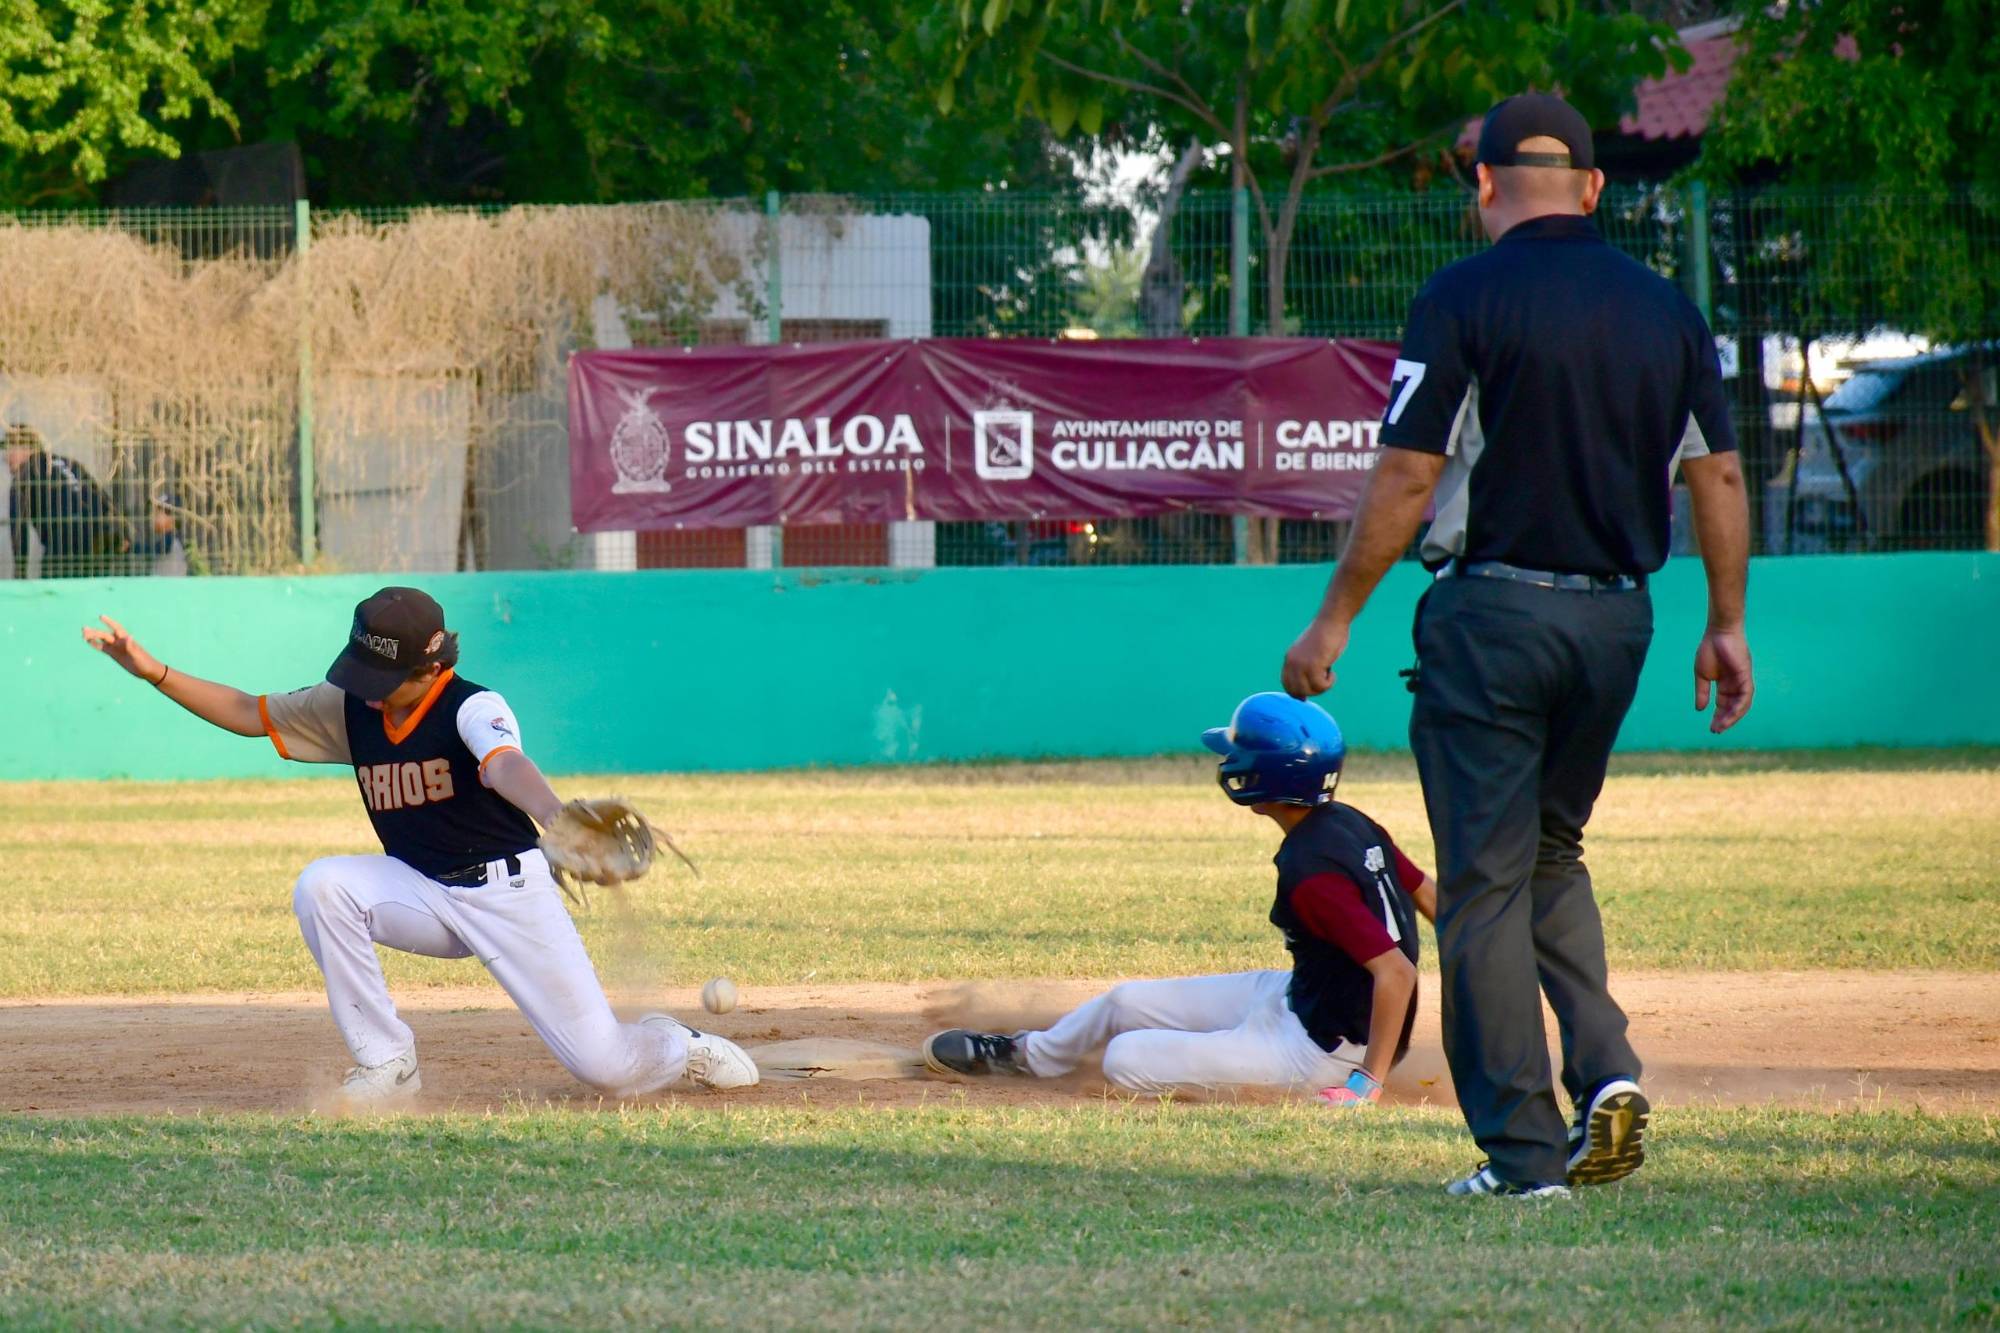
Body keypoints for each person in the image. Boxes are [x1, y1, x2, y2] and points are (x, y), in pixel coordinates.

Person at [1279, 93, 1754, 1198]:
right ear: (1591, 188)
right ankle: (1605, 1073)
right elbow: (1717, 475)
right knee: (1549, 853)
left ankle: (1522, 1155)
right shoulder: (1665, 311)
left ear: (1481, 184)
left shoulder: (1459, 298)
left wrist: (1335, 614)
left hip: (1491, 615)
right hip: (1616, 620)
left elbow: (1405, 473)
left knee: (1484, 883)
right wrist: (1724, 623)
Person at [81, 585, 759, 1105]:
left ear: (430, 664)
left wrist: (554, 814)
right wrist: (153, 670)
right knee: (324, 884)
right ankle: (388, 1063)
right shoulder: (350, 703)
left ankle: (680, 1045)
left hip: (508, 894)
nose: (369, 695)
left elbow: (502, 764)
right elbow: (248, 712)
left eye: (385, 680)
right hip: (422, 890)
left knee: (605, 1067)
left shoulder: (471, 704)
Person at [924, 692, 1438, 1103]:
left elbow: (1395, 972)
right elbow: (1428, 895)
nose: (1230, 760)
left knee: (1125, 1059)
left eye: (1240, 753)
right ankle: (1031, 1057)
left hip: (1321, 1052)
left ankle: (1305, 1078)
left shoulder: (1312, 874)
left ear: (1264, 777)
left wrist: (1367, 1081)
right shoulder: (1352, 820)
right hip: (1298, 1000)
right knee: (1124, 1001)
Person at [6, 424, 129, 579]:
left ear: (26, 448)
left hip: (65, 541)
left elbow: (18, 525)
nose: (6, 457)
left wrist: (20, 572)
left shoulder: (24, 475)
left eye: (10, 449)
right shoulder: (71, 464)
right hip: (98, 537)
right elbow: (103, 499)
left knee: (54, 594)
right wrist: (123, 533)